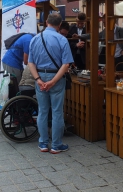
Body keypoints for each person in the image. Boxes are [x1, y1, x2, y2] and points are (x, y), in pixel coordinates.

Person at [28, 13, 73, 154]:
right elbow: (66, 65)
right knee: (57, 112)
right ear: (59, 25)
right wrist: (53, 81)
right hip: (57, 76)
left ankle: (42, 143)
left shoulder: (35, 39)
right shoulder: (62, 39)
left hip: (40, 75)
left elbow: (30, 62)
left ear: (46, 22)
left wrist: (38, 80)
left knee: (42, 111)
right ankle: (56, 145)